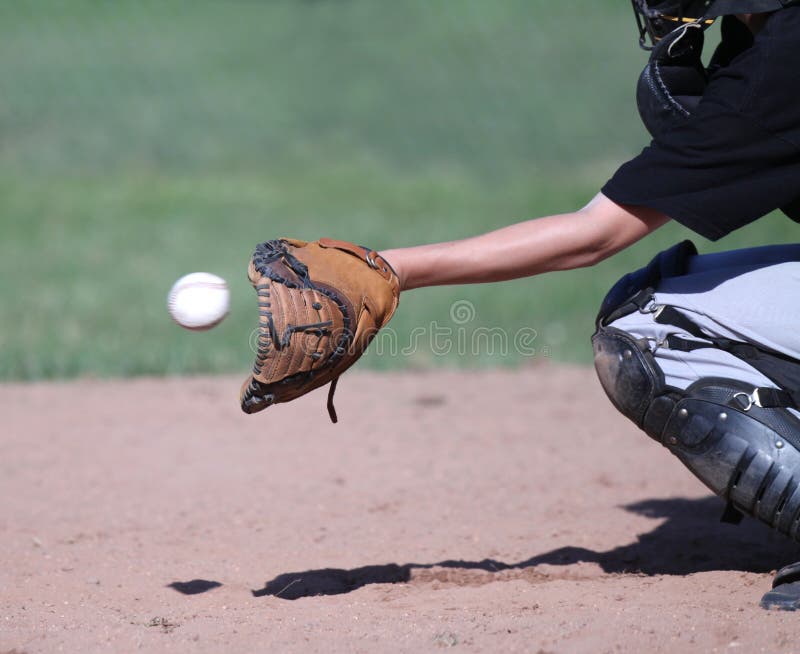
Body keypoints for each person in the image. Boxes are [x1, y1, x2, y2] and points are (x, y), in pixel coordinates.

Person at [374, 2, 800, 609]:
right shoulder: (761, 42)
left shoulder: (780, 60)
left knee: (648, 326)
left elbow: (595, 234)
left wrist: (391, 270)